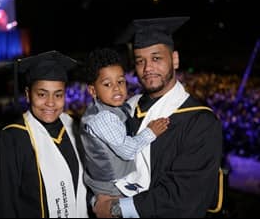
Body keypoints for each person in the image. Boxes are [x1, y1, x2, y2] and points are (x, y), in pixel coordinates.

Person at [93, 17, 223, 218]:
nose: (147, 68)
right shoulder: (125, 110)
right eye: (140, 61)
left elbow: (182, 199)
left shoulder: (200, 122)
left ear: (175, 59)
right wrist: (96, 198)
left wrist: (114, 209)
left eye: (156, 58)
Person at [0, 51, 88, 218]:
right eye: (41, 94)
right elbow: (1, 206)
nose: (50, 102)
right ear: (28, 95)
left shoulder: (75, 128)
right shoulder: (11, 140)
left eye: (58, 95)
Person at [80, 48, 170, 198]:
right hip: (112, 189)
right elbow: (127, 151)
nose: (117, 88)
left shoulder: (114, 107)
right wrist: (151, 132)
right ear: (93, 91)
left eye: (120, 81)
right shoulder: (102, 118)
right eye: (107, 84)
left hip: (118, 182)